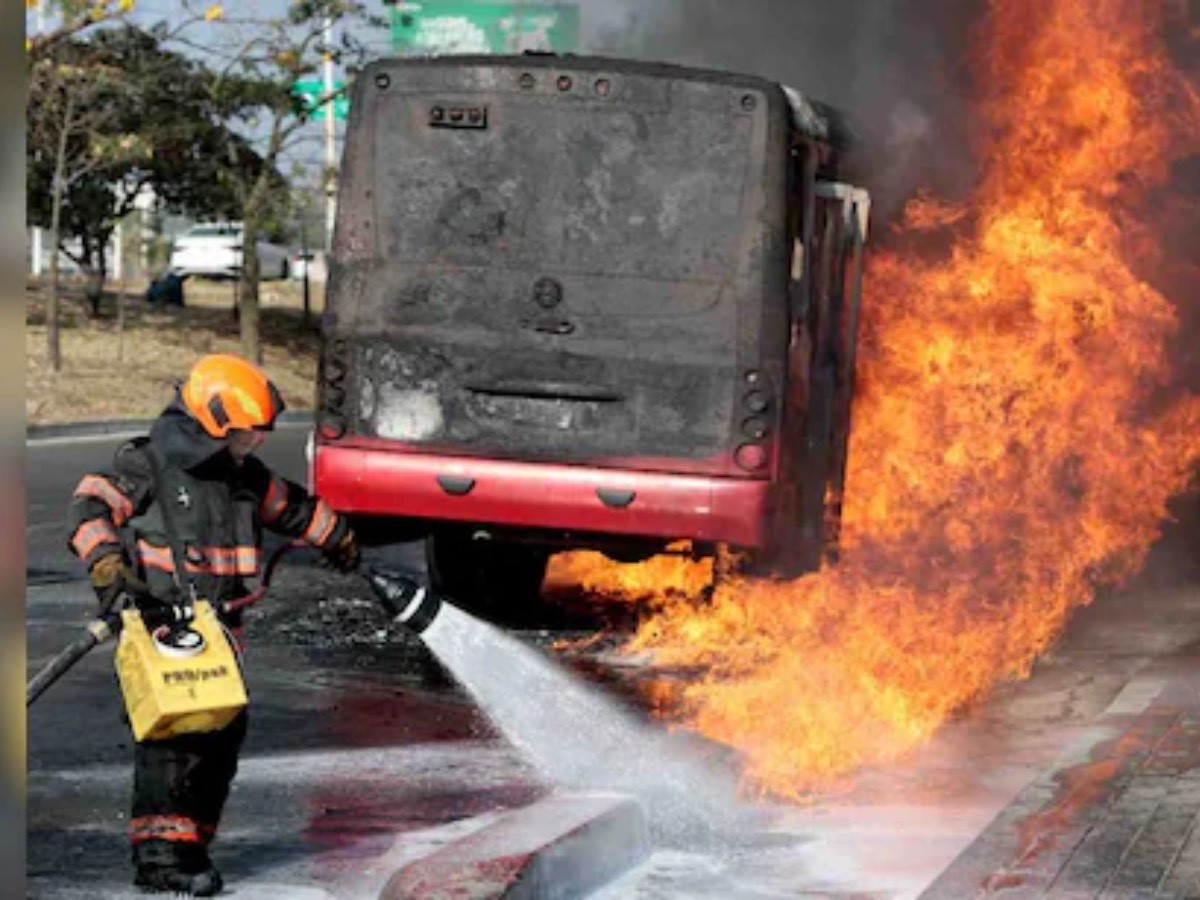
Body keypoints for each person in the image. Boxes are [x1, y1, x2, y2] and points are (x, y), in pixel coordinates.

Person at [66, 353, 359, 896]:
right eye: (249, 433)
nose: (257, 444)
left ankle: (190, 846)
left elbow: (291, 508)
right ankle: (159, 858)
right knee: (175, 739)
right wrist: (109, 567)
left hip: (222, 633)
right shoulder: (149, 465)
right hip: (163, 628)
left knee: (222, 737)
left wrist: (337, 534)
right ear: (215, 421)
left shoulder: (243, 477)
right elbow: (90, 506)